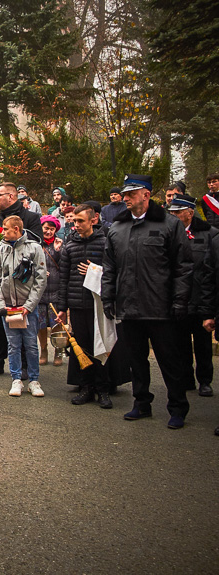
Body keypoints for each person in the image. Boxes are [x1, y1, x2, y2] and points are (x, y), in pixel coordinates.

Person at [102, 174, 192, 429]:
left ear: (146, 195)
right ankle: (141, 403)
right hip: (129, 307)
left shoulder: (169, 224)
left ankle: (177, 407)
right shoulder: (117, 228)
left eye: (131, 194)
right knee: (136, 361)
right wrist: (109, 296)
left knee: (169, 361)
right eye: (125, 194)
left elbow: (183, 266)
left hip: (160, 308)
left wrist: (179, 301)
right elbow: (110, 267)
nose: (126, 198)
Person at [55, 204, 113, 408]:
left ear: (92, 220)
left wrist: (95, 270)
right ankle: (86, 388)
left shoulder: (106, 243)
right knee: (84, 349)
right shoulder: (70, 246)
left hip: (98, 306)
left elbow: (114, 271)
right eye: (74, 221)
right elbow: (64, 279)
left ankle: (104, 390)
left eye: (80, 221)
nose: (76, 224)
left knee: (101, 348)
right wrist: (62, 308)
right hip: (77, 305)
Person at [0, 183, 43, 378]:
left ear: (11, 196)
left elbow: (37, 243)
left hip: (23, 284)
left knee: (24, 327)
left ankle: (26, 366)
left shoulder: (31, 218)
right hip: (2, 282)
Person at [0, 215, 47, 398]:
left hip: (27, 308)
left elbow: (40, 279)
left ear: (16, 229)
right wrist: (1, 305)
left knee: (31, 344)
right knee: (13, 344)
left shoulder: (34, 248)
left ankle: (33, 380)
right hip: (9, 307)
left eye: (6, 229)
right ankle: (16, 379)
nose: (3, 232)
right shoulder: (1, 250)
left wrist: (30, 306)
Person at [167, 194, 216, 397]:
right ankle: (186, 379)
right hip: (179, 299)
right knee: (181, 344)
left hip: (201, 298)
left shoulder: (210, 235)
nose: (174, 216)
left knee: (203, 345)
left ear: (189, 213)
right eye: (172, 212)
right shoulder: (169, 233)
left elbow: (211, 270)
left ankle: (205, 380)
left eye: (178, 212)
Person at [38, 215, 63, 366]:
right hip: (40, 293)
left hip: (56, 291)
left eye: (52, 229)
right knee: (40, 325)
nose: (48, 232)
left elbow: (64, 265)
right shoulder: (36, 244)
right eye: (46, 228)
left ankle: (58, 351)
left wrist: (59, 251)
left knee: (56, 324)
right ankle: (43, 350)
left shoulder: (60, 244)